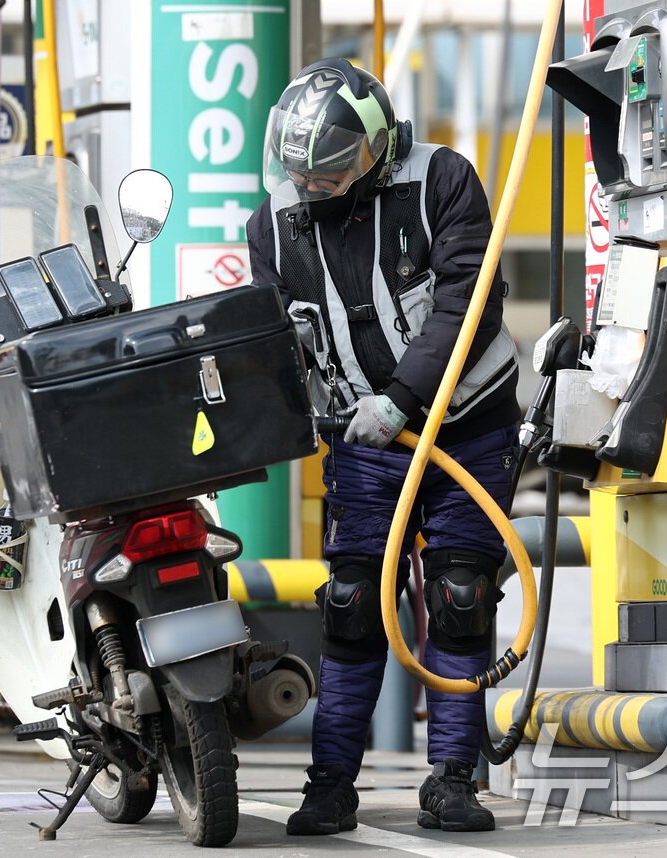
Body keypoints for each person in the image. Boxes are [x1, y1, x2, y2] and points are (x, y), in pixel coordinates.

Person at [246, 58, 520, 835]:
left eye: (329, 174)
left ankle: (454, 778)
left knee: (460, 596)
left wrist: (402, 400)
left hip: (465, 426)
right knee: (353, 603)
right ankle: (330, 781)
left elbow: (471, 301)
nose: (313, 188)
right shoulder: (271, 223)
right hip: (360, 440)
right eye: (302, 174)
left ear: (373, 151)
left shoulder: (441, 181)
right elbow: (276, 338)